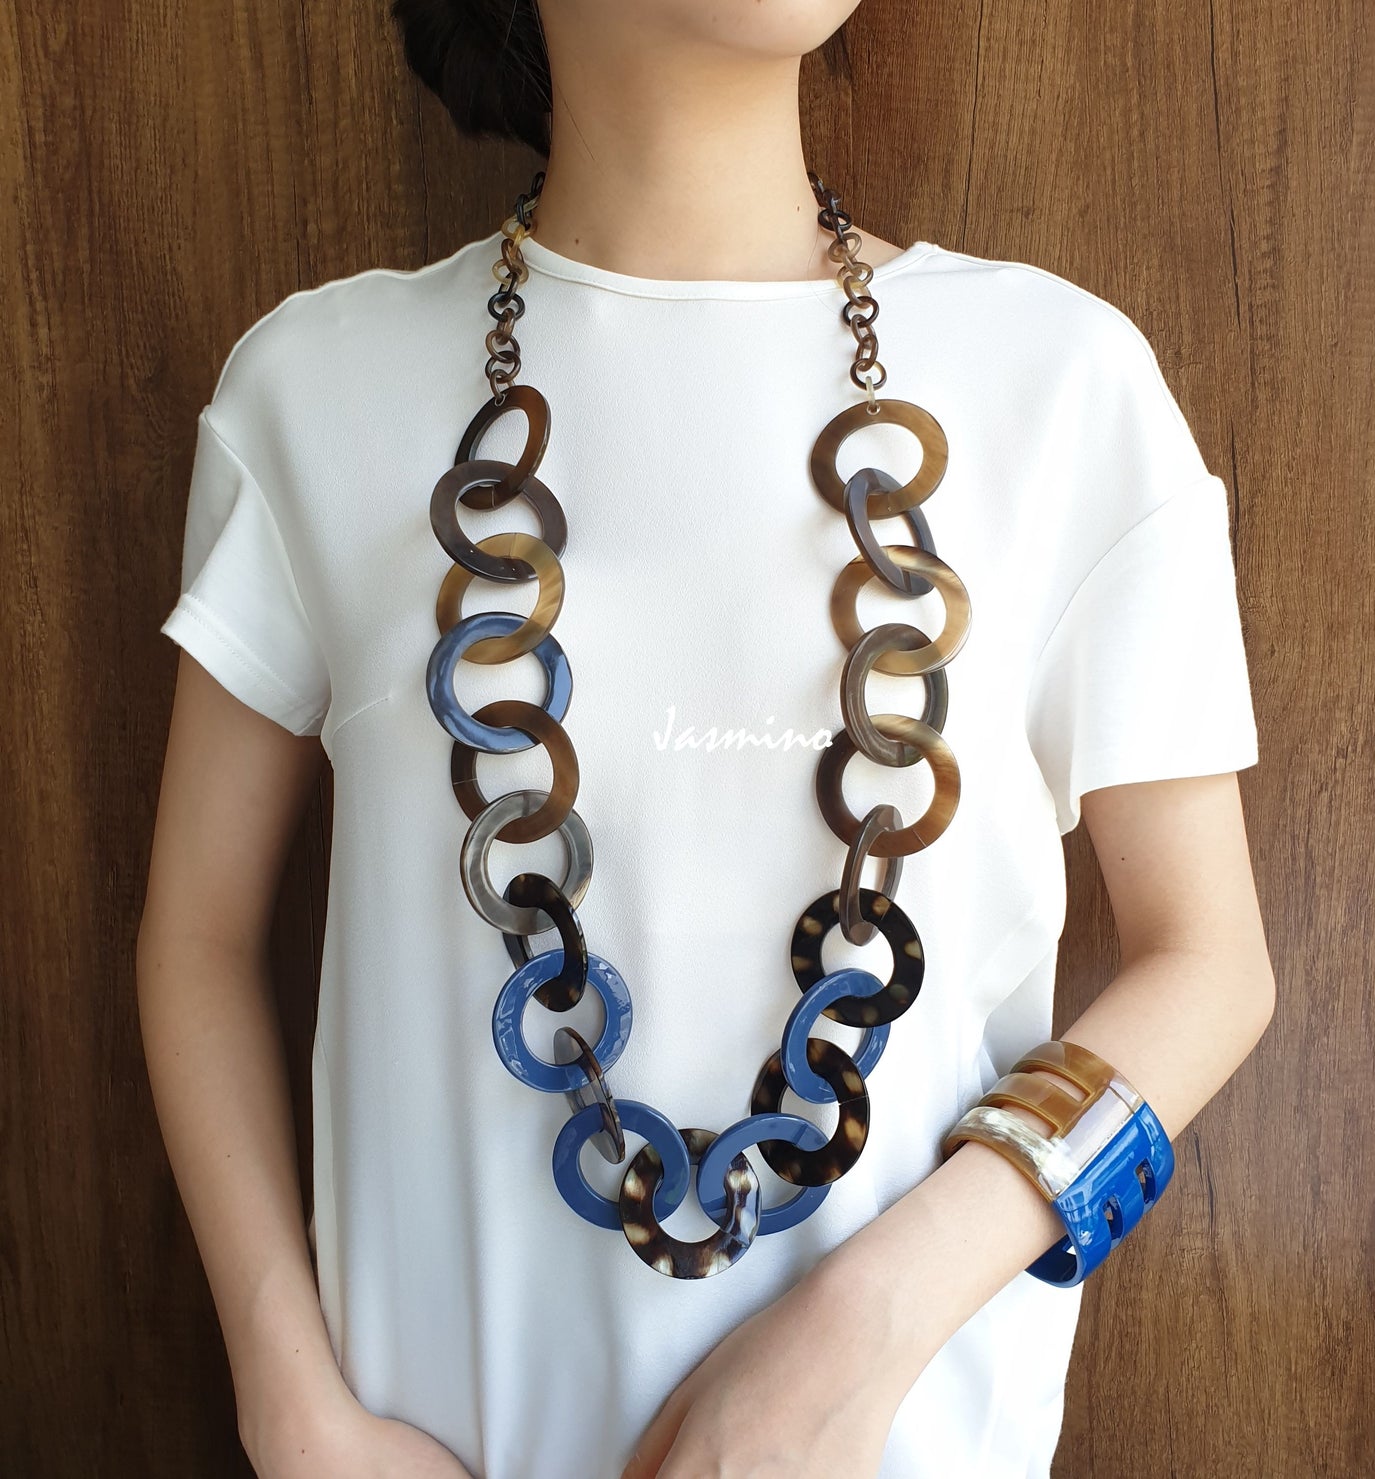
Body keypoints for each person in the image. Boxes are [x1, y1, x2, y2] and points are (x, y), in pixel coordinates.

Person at [135, 2, 1277, 1476]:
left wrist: (859, 1328)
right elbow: (198, 939)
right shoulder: (312, 390)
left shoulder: (1062, 384)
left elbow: (1213, 966)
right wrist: (286, 1405)